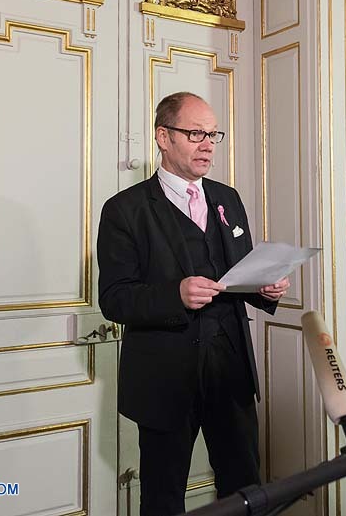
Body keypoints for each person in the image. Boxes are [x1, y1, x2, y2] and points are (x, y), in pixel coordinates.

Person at [97, 91, 290, 516]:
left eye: (213, 135)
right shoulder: (124, 211)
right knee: (163, 499)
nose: (208, 145)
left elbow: (238, 272)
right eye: (196, 133)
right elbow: (113, 299)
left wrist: (264, 287)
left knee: (244, 489)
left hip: (231, 374)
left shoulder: (228, 198)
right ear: (163, 137)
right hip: (165, 382)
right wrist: (175, 295)